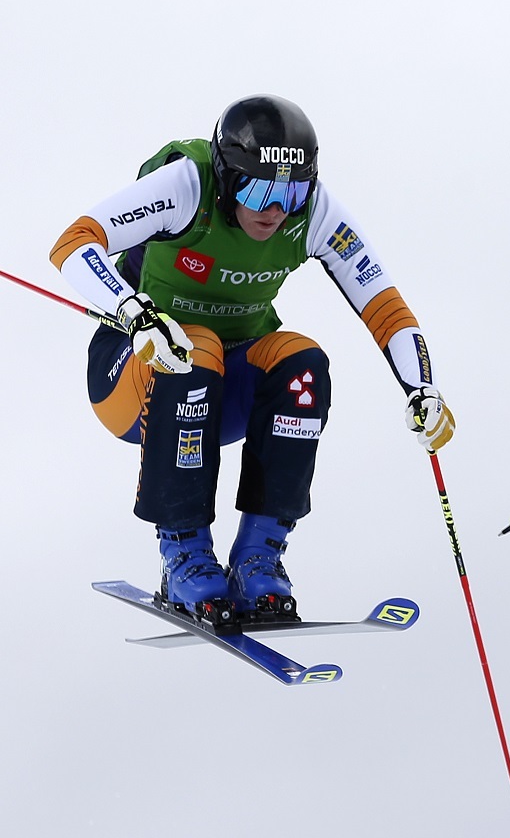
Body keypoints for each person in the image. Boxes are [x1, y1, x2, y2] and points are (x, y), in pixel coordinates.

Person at [50, 95, 456, 615]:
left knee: (303, 360)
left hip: (225, 389)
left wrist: (423, 388)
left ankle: (258, 557)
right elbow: (73, 242)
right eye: (259, 189)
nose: (275, 210)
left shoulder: (313, 212)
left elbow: (385, 305)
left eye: (291, 192)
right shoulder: (186, 186)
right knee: (196, 347)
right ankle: (184, 555)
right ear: (226, 177)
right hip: (137, 378)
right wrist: (134, 312)